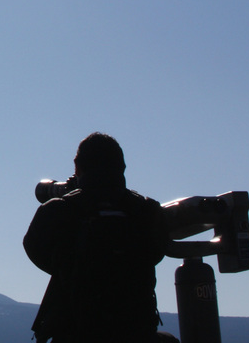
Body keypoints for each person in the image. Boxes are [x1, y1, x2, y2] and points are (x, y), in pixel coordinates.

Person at [23, 133, 179, 343]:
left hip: (77, 330)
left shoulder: (59, 211)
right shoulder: (147, 211)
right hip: (137, 330)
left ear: (78, 168)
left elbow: (34, 249)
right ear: (122, 167)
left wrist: (72, 265)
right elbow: (156, 253)